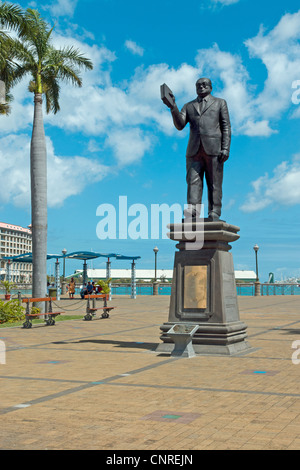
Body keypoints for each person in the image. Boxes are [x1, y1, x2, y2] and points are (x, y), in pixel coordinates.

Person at [165, 77, 231, 221]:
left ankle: (214, 213)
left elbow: (226, 126)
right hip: (194, 150)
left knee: (214, 182)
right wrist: (173, 106)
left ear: (210, 87)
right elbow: (180, 125)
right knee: (193, 182)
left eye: (204, 84)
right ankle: (193, 214)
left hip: (214, 149)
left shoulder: (220, 103)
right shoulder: (189, 106)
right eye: (198, 85)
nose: (201, 87)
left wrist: (225, 148)